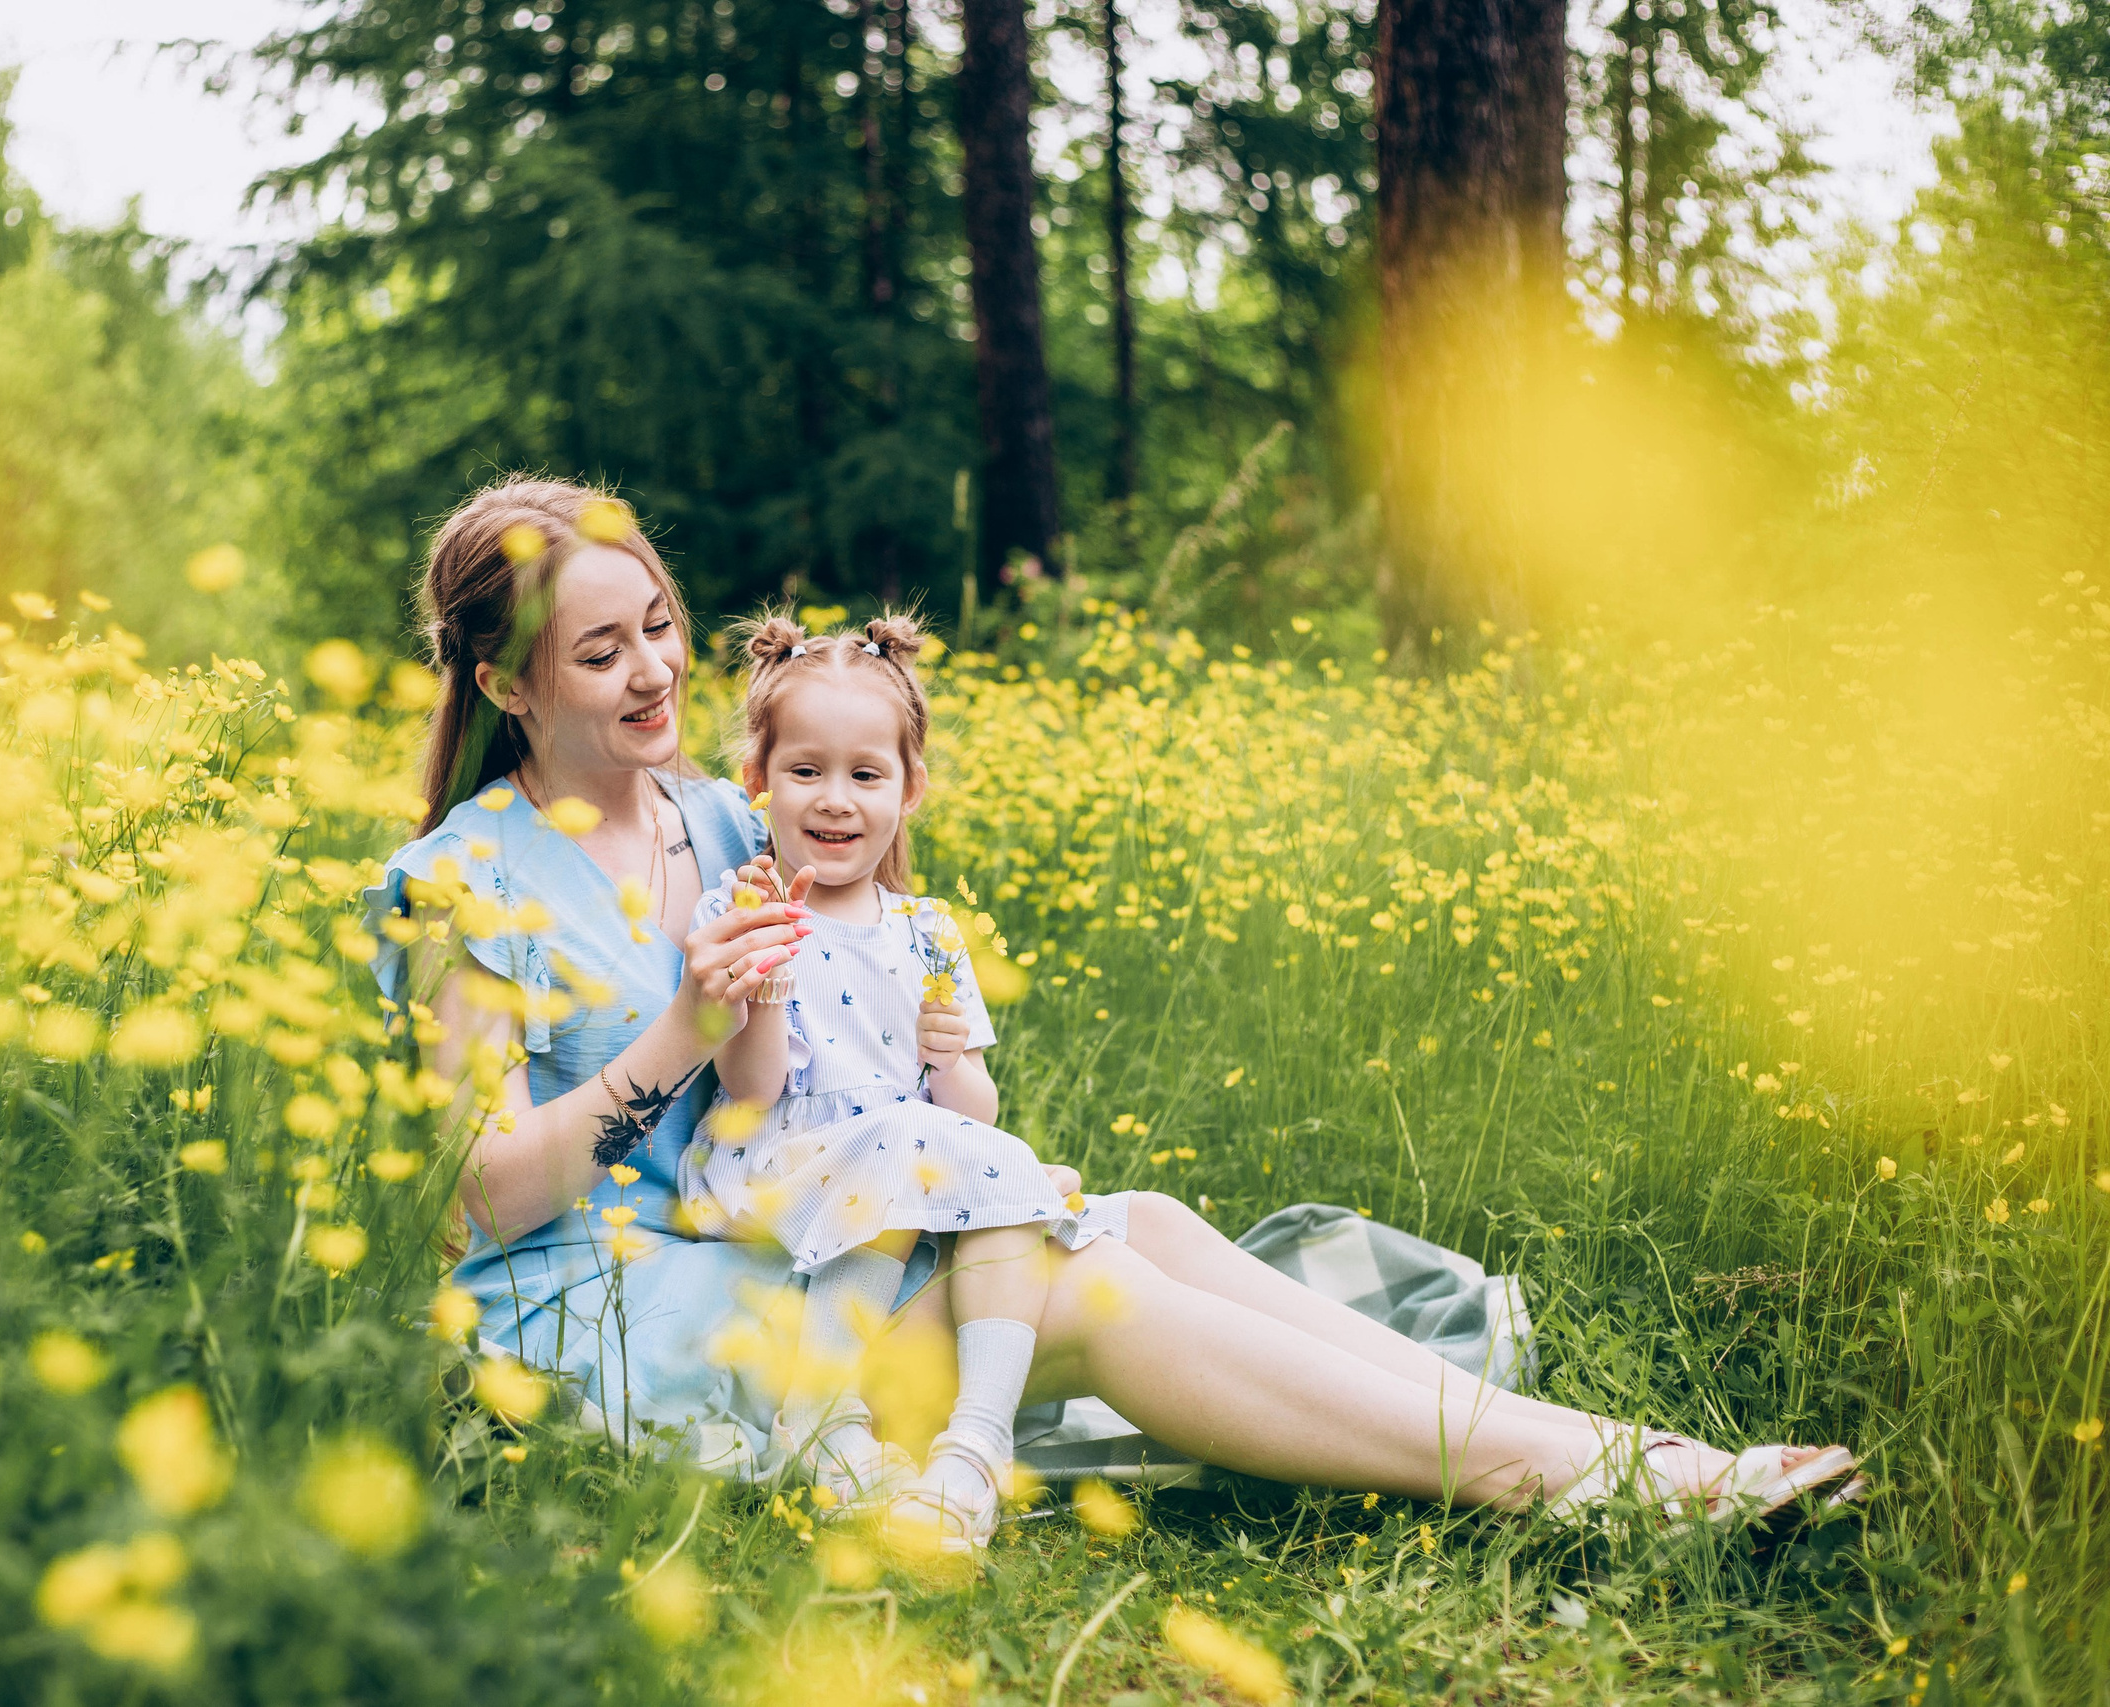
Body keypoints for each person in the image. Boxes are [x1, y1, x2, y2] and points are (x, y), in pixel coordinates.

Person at [366, 475, 1857, 1527]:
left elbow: (838, 1016)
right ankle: (1592, 1484)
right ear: (506, 682)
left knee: (1130, 1219)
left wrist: (955, 1113)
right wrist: (672, 1038)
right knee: (1093, 1285)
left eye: (660, 624)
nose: (654, 670)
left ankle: (1613, 1447)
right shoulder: (461, 884)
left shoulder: (721, 815)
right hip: (620, 1311)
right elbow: (477, 1196)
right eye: (601, 648)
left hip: (780, 1221)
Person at [678, 611, 1113, 1552]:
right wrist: (764, 990)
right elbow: (748, 1090)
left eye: (865, 775)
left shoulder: (928, 931)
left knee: (987, 1161)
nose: (835, 800)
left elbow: (970, 1113)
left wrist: (950, 1056)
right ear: (758, 779)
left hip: (896, 1161)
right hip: (771, 1159)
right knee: (926, 1152)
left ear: (908, 789)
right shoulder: (744, 908)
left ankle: (975, 1447)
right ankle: (825, 1423)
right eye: (806, 771)